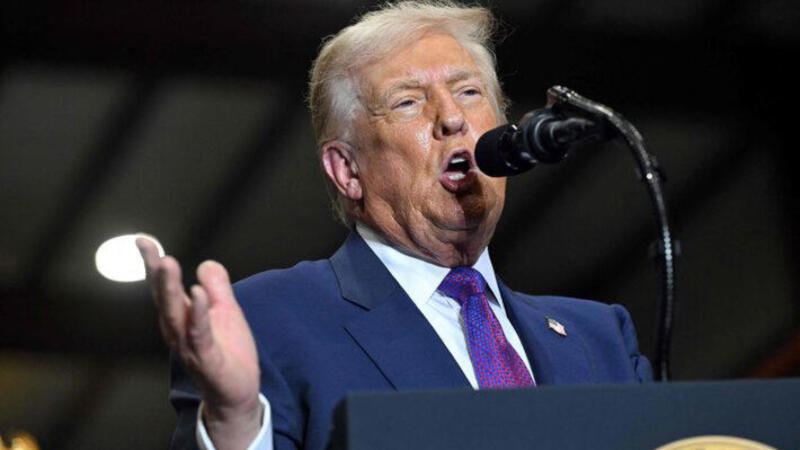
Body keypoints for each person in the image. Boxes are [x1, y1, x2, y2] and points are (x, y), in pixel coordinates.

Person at [137, 2, 653, 450]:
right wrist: (234, 420)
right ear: (347, 170)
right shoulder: (268, 322)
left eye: (469, 92)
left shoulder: (600, 338)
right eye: (408, 101)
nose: (452, 118)